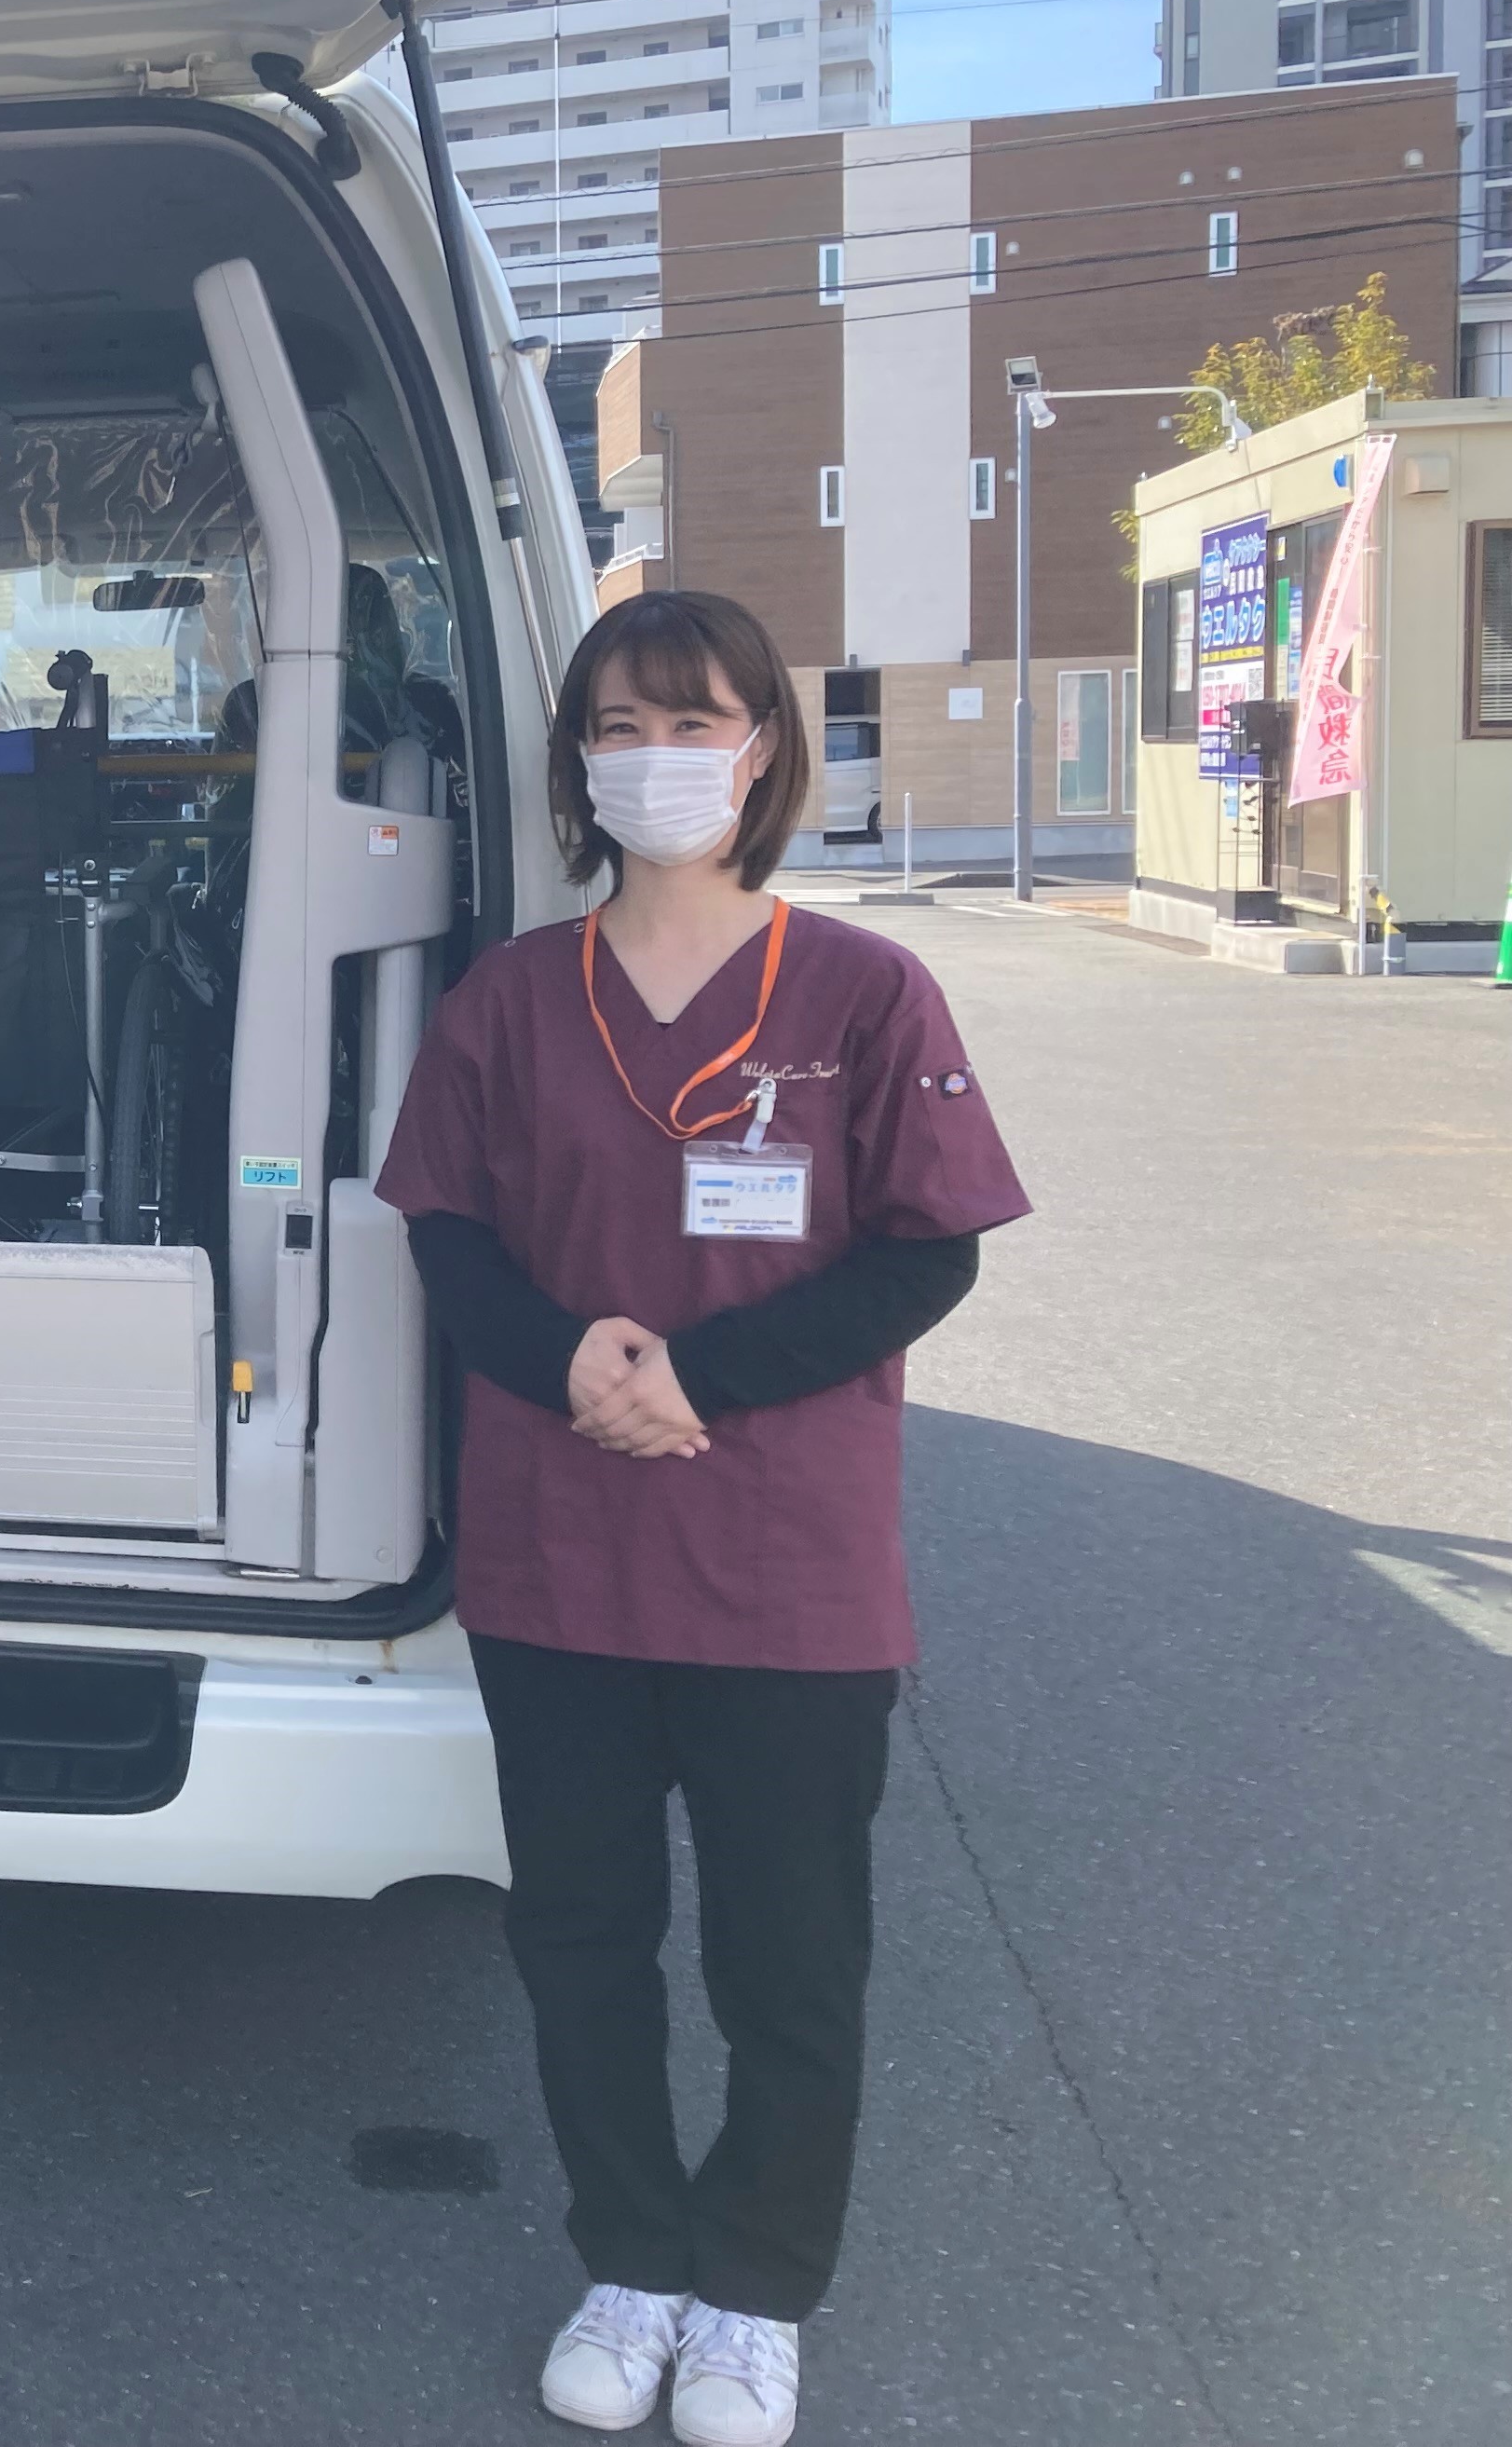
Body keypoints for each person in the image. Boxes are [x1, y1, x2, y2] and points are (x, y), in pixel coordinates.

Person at [373, 592, 1028, 2447]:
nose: (655, 757)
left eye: (693, 721)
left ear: (761, 752)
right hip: (558, 1556)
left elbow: (930, 1251)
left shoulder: (864, 993)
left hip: (783, 1568)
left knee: (787, 1956)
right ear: (579, 761)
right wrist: (568, 1357)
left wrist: (705, 1379)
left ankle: (754, 2290)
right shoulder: (514, 998)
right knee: (580, 1938)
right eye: (619, 726)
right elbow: (447, 1234)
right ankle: (634, 2260)